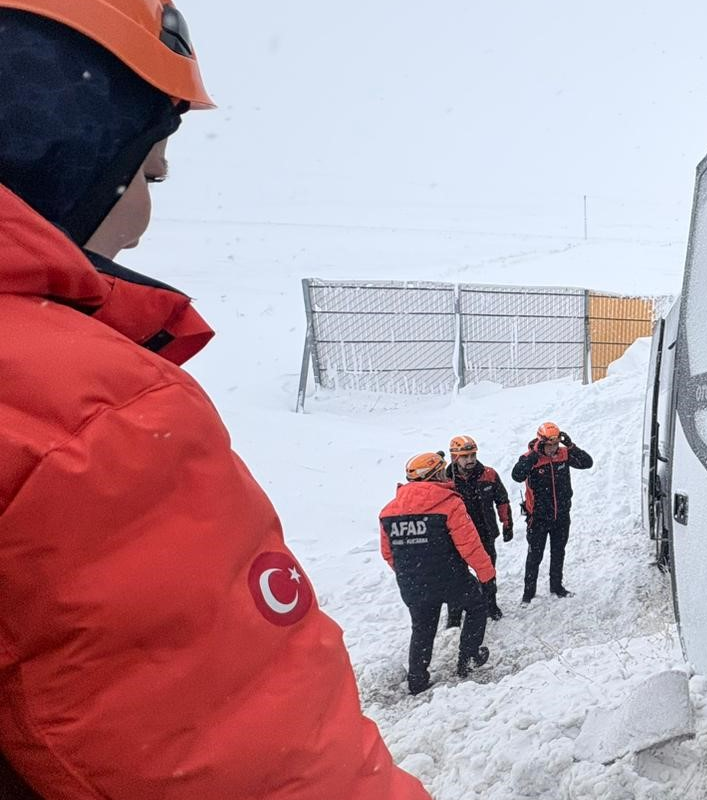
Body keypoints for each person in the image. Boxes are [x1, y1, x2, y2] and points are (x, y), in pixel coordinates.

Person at [0, 3, 428, 797]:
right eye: (149, 173)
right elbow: (272, 766)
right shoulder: (93, 420)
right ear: (61, 150)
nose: (143, 221)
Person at [379, 452, 496, 695]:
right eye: (442, 470)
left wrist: (411, 573)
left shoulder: (388, 512)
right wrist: (487, 576)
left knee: (422, 628)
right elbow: (470, 545)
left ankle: (417, 678)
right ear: (434, 475)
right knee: (476, 606)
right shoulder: (450, 503)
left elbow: (388, 554)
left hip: (413, 584)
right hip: (451, 578)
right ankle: (469, 657)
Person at [512, 422, 593, 600]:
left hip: (561, 515)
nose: (553, 448)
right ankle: (528, 593)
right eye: (549, 445)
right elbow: (517, 475)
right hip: (538, 518)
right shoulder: (529, 458)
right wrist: (533, 457)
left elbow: (587, 463)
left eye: (556, 444)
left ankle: (556, 587)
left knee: (558, 552)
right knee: (535, 556)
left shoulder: (563, 454)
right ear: (541, 442)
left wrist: (571, 446)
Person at [443, 435, 513, 625]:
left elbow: (502, 500)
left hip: (485, 533)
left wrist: (507, 524)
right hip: (456, 538)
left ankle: (490, 604)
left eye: (473, 455)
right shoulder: (446, 481)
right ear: (455, 457)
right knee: (456, 576)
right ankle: (455, 614)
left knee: (488, 572)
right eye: (465, 456)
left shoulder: (488, 475)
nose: (470, 459)